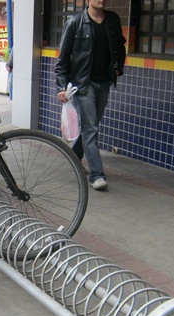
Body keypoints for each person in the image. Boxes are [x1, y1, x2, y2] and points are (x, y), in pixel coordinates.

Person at [54, 0, 126, 191]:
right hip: (83, 84)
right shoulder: (75, 22)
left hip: (104, 82)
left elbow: (120, 46)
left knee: (89, 128)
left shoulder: (112, 20)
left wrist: (118, 68)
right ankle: (96, 175)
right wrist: (61, 87)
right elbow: (62, 59)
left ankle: (73, 156)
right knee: (91, 129)